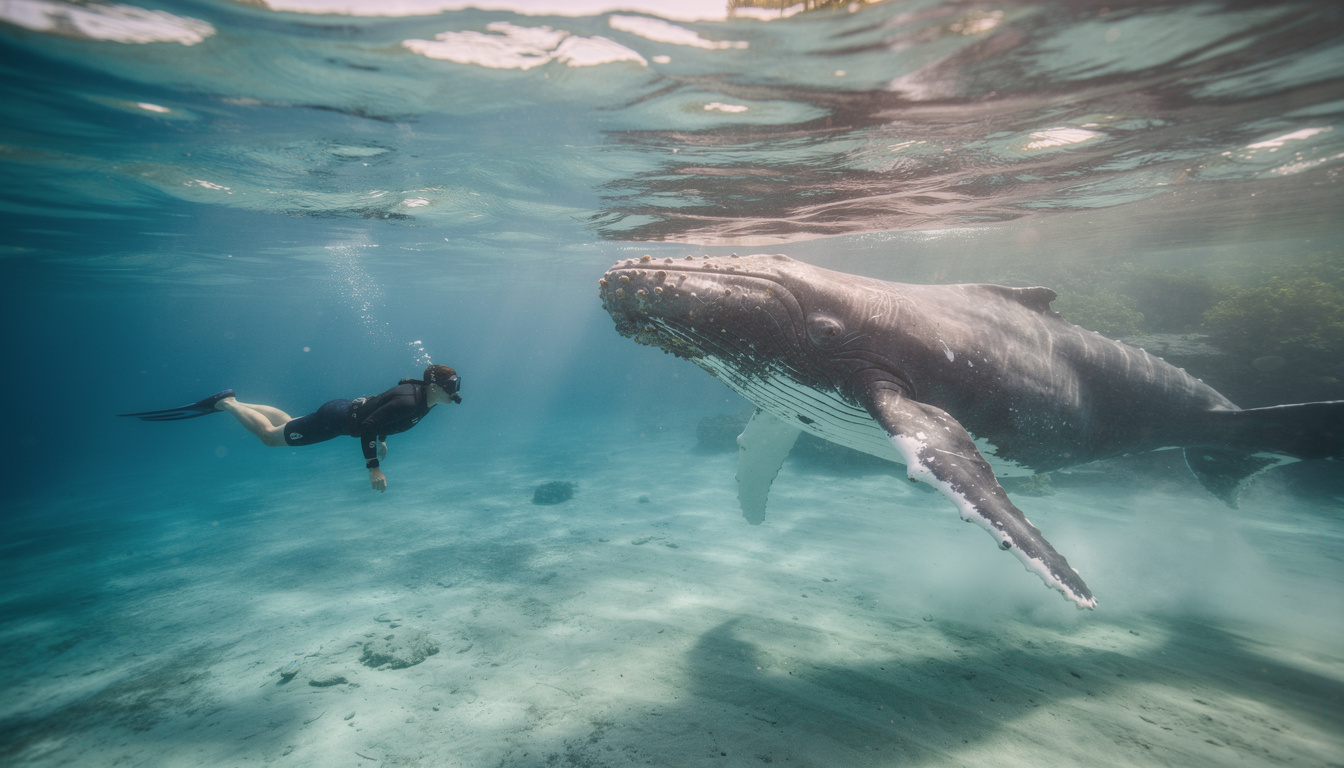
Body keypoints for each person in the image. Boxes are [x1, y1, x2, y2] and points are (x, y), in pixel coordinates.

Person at [119, 364, 461, 492]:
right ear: (434, 386)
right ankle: (227, 404)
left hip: (341, 411)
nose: (455, 393)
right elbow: (372, 422)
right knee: (271, 438)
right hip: (335, 421)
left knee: (287, 424)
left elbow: (382, 414)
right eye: (452, 387)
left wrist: (383, 439)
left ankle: (233, 400)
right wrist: (373, 467)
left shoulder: (426, 398)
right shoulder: (412, 401)